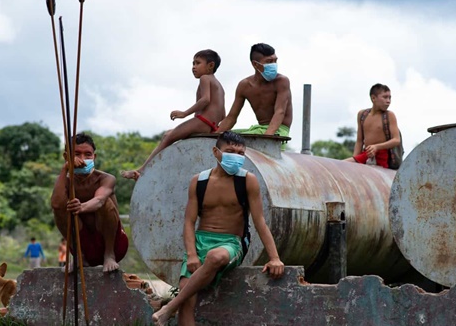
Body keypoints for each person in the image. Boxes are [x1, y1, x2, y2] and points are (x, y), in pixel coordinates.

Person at [151, 131, 285, 326]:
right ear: (216, 152)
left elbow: (260, 221)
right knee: (187, 297)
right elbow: (189, 222)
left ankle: (168, 308)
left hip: (232, 243)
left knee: (215, 256)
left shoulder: (248, 180)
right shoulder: (199, 181)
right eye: (231, 152)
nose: (236, 157)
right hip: (201, 241)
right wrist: (191, 254)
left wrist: (275, 257)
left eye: (241, 154)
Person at [121, 49, 226, 180]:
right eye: (192, 63)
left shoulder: (205, 78)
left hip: (203, 121)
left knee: (167, 138)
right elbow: (223, 114)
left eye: (198, 63)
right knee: (168, 134)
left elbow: (205, 100)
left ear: (210, 65)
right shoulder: (219, 86)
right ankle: (145, 169)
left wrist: (184, 113)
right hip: (212, 125)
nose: (193, 67)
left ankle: (141, 171)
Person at [52, 133, 129, 272]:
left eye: (88, 154)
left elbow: (99, 201)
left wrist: (81, 207)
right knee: (61, 208)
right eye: (77, 154)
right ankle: (79, 256)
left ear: (94, 157)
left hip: (114, 245)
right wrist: (65, 169)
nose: (82, 159)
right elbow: (57, 205)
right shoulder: (65, 181)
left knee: (106, 202)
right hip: (84, 245)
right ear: (66, 157)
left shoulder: (105, 178)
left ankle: (109, 255)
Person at [218, 43, 293, 139]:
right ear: (255, 64)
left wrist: (267, 138)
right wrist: (215, 136)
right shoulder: (244, 85)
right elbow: (231, 117)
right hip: (258, 129)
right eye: (269, 61)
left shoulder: (282, 81)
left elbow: (280, 111)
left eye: (275, 61)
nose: (273, 65)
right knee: (226, 137)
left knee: (237, 139)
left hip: (279, 130)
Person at [345, 83, 401, 169]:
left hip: (382, 157)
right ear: (373, 98)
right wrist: (355, 161)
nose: (388, 101)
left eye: (390, 97)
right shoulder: (362, 115)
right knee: (343, 165)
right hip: (366, 154)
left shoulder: (389, 115)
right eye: (385, 97)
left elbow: (396, 140)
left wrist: (377, 147)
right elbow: (359, 141)